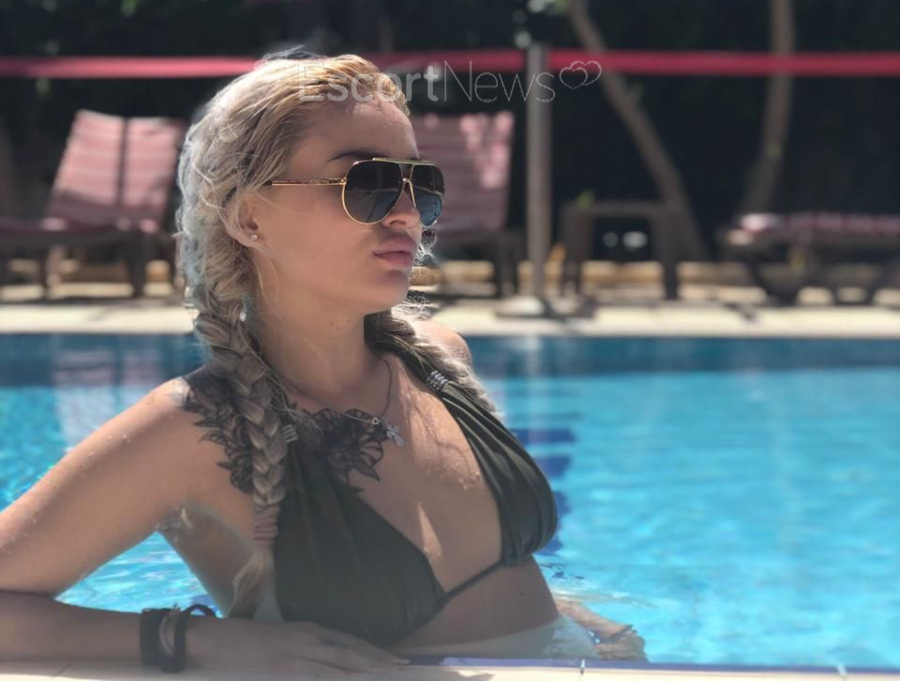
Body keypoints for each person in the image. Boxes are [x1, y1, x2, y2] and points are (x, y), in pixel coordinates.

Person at [0, 51, 646, 672]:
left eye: (419, 185)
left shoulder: (439, 361)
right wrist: (197, 641)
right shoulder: (194, 430)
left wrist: (579, 623)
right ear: (249, 218)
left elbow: (484, 574)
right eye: (366, 183)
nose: (406, 215)